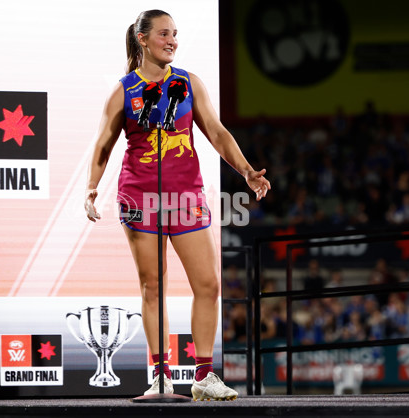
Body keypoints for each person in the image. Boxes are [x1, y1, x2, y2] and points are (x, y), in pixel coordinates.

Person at [84, 10, 270, 401]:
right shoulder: (124, 90)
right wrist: (91, 189)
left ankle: (202, 376)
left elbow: (217, 133)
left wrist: (248, 172)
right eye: (164, 34)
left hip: (187, 197)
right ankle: (161, 376)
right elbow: (103, 146)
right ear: (142, 38)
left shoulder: (188, 82)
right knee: (154, 287)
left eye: (175, 34)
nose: (172, 41)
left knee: (208, 284)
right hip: (139, 197)